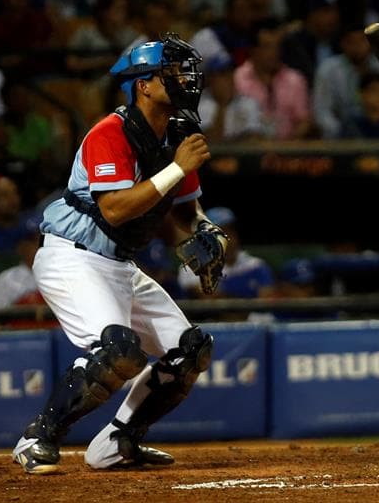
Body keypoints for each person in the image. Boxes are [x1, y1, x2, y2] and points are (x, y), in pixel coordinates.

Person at [11, 33, 227, 474]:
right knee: (118, 351)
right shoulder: (109, 132)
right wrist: (177, 168)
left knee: (191, 349)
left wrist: (204, 227)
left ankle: (117, 441)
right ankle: (36, 438)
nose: (185, 79)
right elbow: (114, 208)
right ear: (143, 84)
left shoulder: (179, 131)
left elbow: (183, 207)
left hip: (119, 262)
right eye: (172, 72)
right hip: (73, 255)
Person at [178, 207, 276, 299]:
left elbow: (266, 298)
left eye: (230, 231)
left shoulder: (256, 265)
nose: (227, 238)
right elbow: (209, 300)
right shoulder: (192, 266)